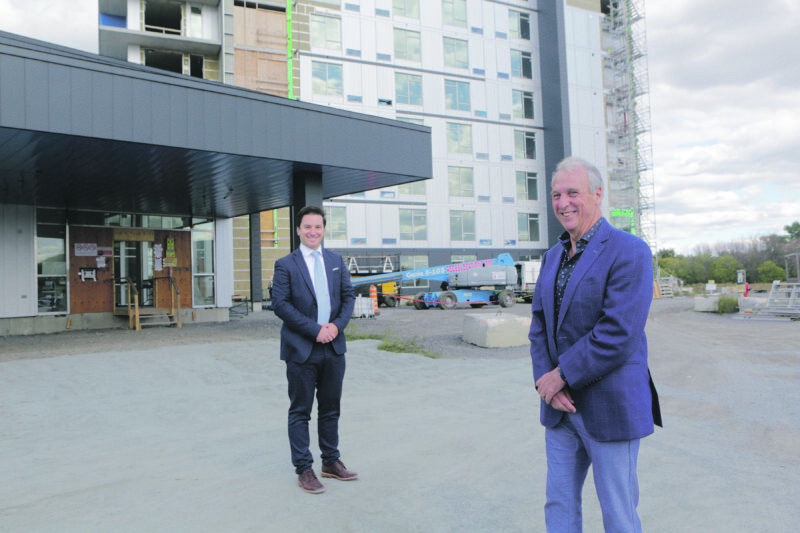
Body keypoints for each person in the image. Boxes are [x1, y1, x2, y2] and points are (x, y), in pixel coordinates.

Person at [529, 156, 662, 532]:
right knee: (558, 505)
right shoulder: (552, 257)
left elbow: (618, 332)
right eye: (556, 195)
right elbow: (539, 326)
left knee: (618, 513)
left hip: (610, 405)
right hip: (560, 410)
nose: (563, 202)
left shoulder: (629, 250)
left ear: (597, 194)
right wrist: (546, 382)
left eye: (573, 192)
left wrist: (560, 376)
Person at [271, 205, 357, 494]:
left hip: (334, 348)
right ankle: (304, 468)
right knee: (300, 411)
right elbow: (280, 305)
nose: (312, 232)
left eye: (317, 227)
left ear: (323, 229)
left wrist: (335, 327)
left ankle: (330, 462)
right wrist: (315, 330)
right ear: (298, 229)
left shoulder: (335, 260)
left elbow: (348, 297)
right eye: (307, 226)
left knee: (331, 409)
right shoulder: (286, 264)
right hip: (301, 349)